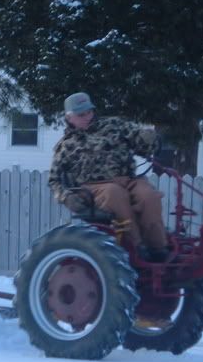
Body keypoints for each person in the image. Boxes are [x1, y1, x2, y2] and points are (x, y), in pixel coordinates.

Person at [48, 91, 169, 261]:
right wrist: (65, 196)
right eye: (81, 114)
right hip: (93, 188)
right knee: (115, 194)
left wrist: (149, 139)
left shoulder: (114, 126)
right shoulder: (66, 146)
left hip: (128, 180)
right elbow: (54, 180)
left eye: (89, 112)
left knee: (148, 196)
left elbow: (144, 144)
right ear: (69, 118)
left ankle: (158, 248)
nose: (87, 117)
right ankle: (137, 246)